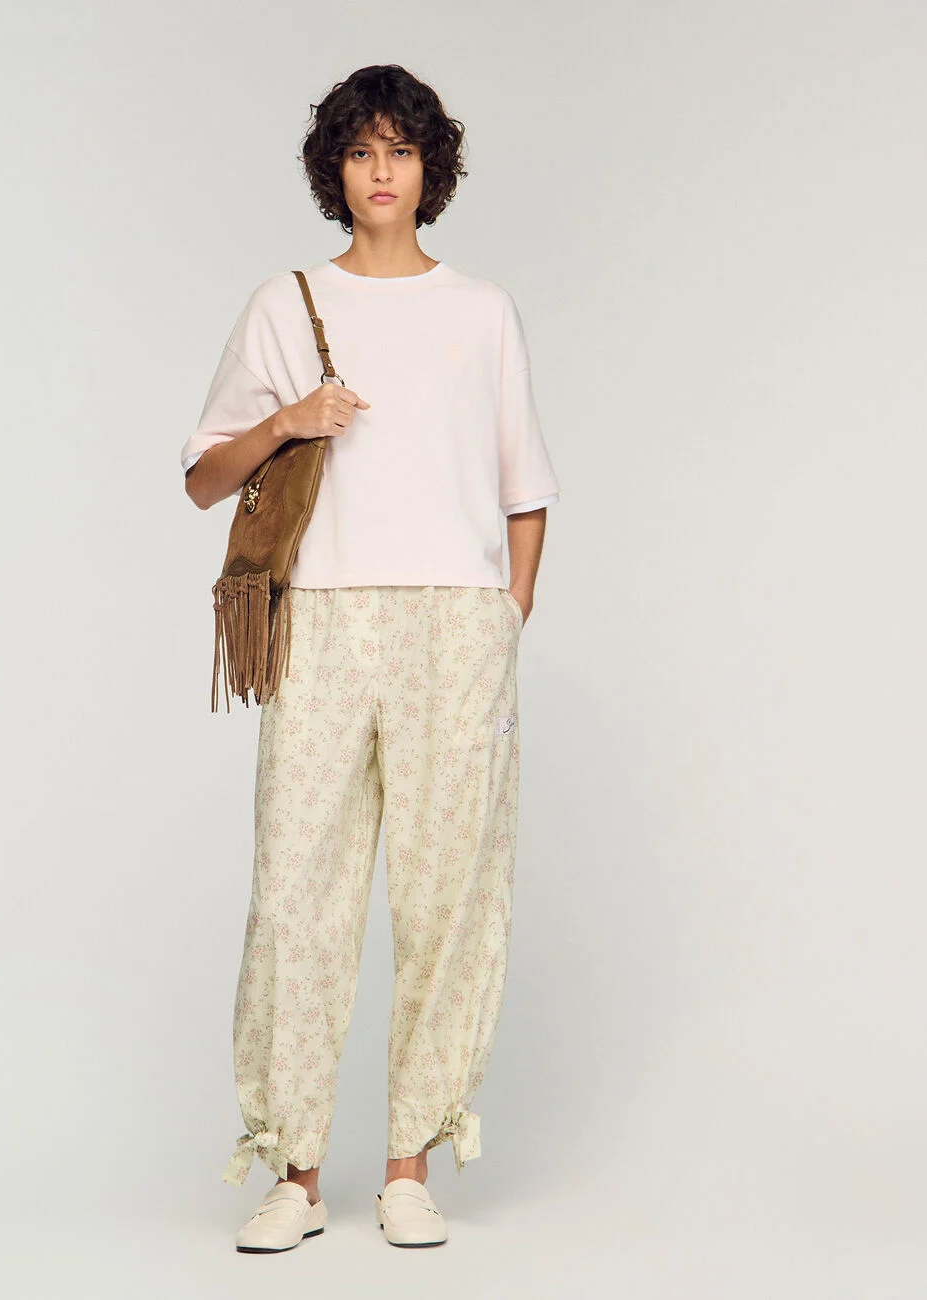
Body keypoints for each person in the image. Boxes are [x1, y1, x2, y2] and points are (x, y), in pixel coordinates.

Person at [180, 64, 560, 1253]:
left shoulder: (481, 310)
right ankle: (295, 1170)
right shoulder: (284, 304)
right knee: (298, 893)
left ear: (430, 166)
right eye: (359, 151)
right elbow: (202, 478)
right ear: (333, 170)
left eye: (400, 149)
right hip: (324, 617)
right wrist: (288, 419)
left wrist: (505, 615)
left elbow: (526, 488)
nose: (381, 170)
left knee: (448, 893)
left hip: (455, 622)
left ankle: (408, 1164)